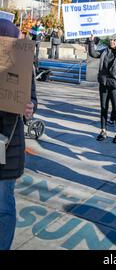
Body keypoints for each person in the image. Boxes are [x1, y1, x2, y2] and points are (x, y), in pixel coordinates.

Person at [0, 19, 37, 250]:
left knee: (4, 206)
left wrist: (30, 107)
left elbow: (32, 99)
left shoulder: (24, 68)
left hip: (10, 145)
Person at [88, 35, 116, 143]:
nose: (112, 42)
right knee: (103, 107)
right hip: (104, 82)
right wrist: (91, 42)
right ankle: (103, 130)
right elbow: (93, 53)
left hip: (115, 84)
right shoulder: (104, 51)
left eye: (114, 40)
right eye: (111, 40)